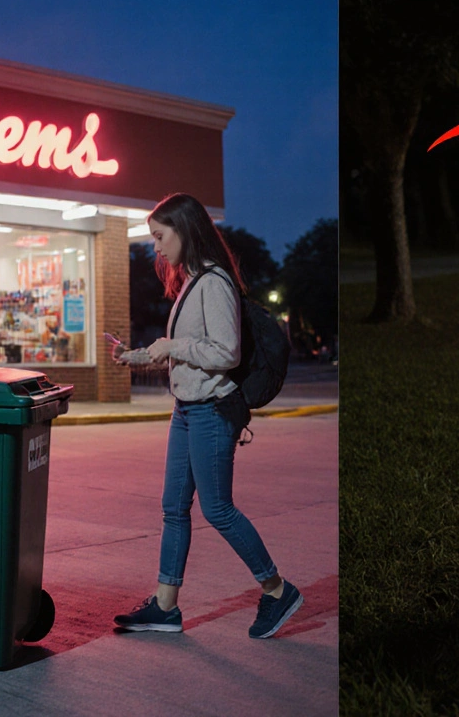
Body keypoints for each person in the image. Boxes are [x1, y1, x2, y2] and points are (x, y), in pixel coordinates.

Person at [113, 193, 304, 639]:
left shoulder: (214, 282)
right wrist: (134, 355)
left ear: (185, 229)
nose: (156, 247)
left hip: (211, 412)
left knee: (217, 509)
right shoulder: (192, 282)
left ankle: (277, 590)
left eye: (160, 236)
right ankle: (165, 607)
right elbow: (183, 351)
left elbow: (225, 351)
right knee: (173, 508)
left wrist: (171, 346)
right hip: (186, 411)